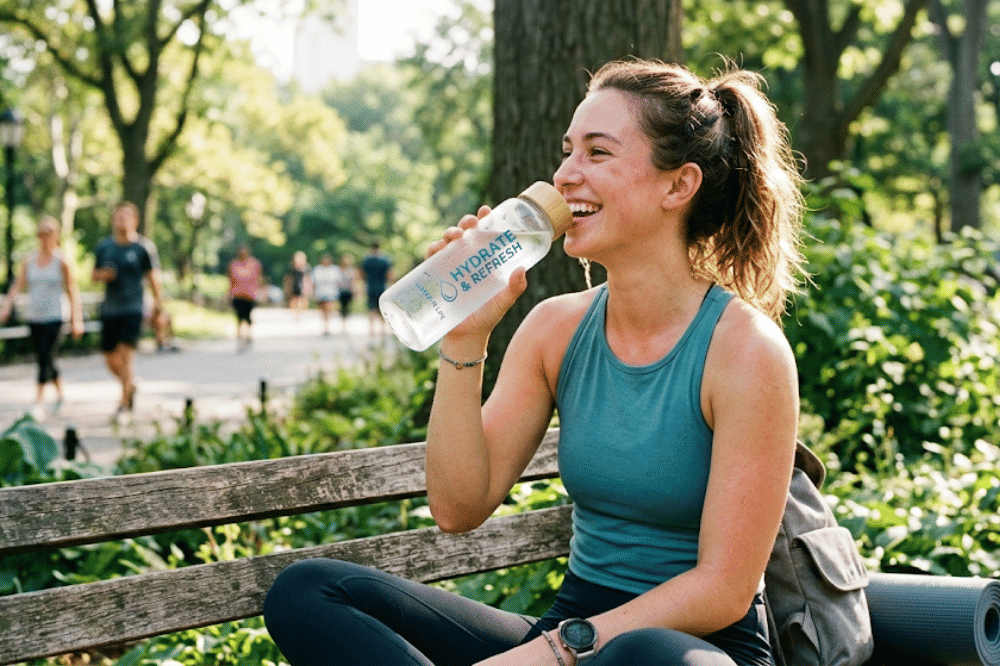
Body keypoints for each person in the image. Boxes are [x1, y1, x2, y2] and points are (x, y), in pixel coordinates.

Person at [264, 58, 805, 666]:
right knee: (309, 592)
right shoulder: (556, 327)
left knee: (644, 656)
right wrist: (464, 338)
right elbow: (458, 507)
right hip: (570, 626)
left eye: (597, 154)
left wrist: (557, 651)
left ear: (678, 185)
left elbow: (725, 591)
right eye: (567, 151)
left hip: (689, 647)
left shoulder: (746, 352)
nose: (565, 175)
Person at [0, 216, 84, 417]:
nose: (44, 237)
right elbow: (18, 286)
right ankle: (61, 395)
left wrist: (76, 319)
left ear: (56, 236)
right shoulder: (29, 260)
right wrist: (6, 307)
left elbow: (72, 290)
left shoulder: (62, 261)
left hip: (55, 317)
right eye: (41, 233)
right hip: (34, 317)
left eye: (49, 233)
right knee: (46, 358)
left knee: (45, 357)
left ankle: (37, 403)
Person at [91, 201, 163, 417]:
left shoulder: (143, 247)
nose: (121, 220)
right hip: (110, 308)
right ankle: (130, 383)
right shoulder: (104, 247)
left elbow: (153, 277)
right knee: (110, 359)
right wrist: (104, 275)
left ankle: (123, 404)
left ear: (135, 220)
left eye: (126, 216)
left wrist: (159, 304)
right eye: (118, 216)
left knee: (125, 355)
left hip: (133, 308)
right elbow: (93, 275)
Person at [228, 243, 262, 352]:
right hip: (237, 295)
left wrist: (259, 292)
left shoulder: (255, 264)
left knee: (247, 318)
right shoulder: (233, 265)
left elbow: (258, 279)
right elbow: (230, 281)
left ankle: (248, 335)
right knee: (239, 319)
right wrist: (228, 294)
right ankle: (240, 339)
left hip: (250, 296)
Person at [360, 242, 393, 338]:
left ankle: (372, 330)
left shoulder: (367, 260)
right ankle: (382, 330)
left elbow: (362, 274)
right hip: (382, 288)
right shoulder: (385, 260)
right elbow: (390, 275)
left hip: (370, 287)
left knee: (371, 309)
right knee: (382, 310)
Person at [311, 253, 340, 336]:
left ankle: (327, 327)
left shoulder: (334, 269)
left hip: (331, 293)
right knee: (323, 311)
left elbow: (338, 282)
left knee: (328, 309)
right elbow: (313, 283)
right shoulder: (317, 269)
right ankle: (325, 326)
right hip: (320, 293)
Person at [284, 251, 311, 319]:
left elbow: (308, 278)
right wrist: (287, 287)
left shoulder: (306, 268)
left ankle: (301, 314)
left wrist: (308, 288)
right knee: (293, 300)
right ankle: (295, 314)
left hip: (303, 286)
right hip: (294, 286)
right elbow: (288, 278)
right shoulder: (292, 268)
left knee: (303, 300)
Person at [335, 252, 358, 334]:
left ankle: (345, 325)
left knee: (347, 308)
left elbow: (353, 282)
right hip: (340, 291)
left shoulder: (351, 271)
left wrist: (354, 291)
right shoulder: (338, 270)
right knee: (342, 308)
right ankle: (343, 324)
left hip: (348, 291)